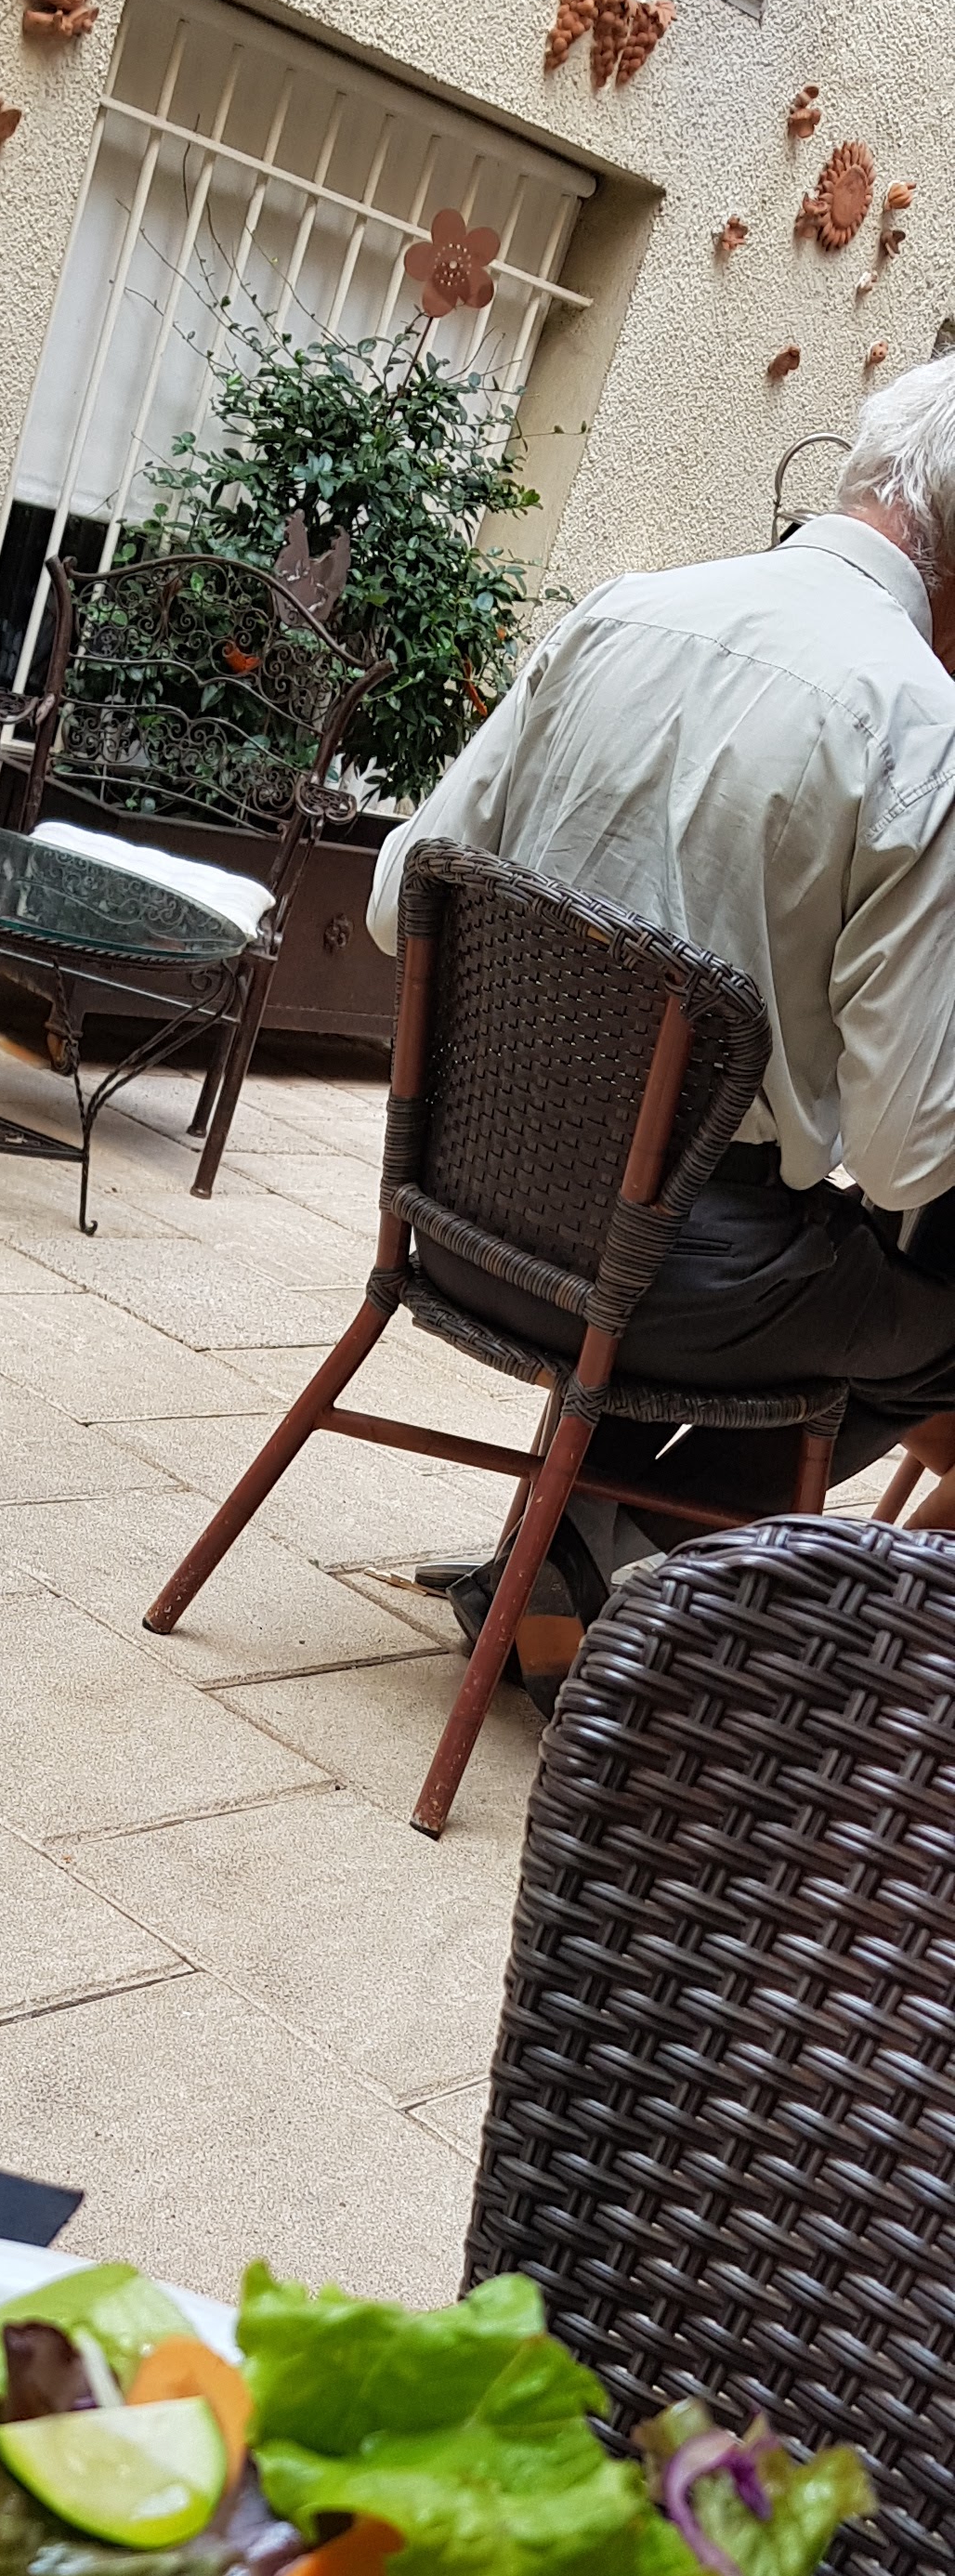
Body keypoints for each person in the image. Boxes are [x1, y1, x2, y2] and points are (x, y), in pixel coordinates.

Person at [364, 356, 955, 1705]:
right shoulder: (924, 730)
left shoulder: (624, 610)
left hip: (454, 1212)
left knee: (804, 1263)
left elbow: (404, 896)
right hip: (666, 1284)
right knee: (923, 1312)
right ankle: (619, 1575)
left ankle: (569, 1558)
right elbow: (904, 1155)